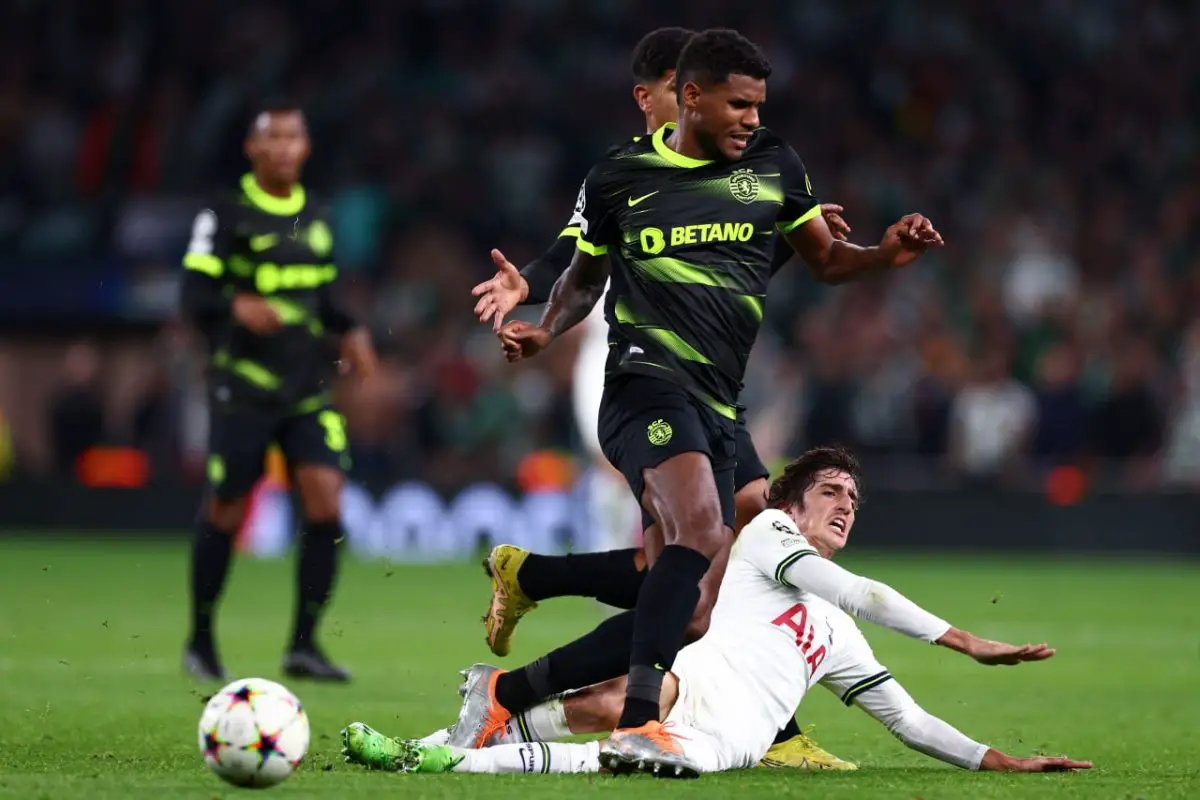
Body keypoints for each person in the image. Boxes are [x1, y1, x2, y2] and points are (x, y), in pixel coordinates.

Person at [450, 28, 943, 769]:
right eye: (738, 103)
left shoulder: (776, 166)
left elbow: (826, 261)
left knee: (694, 604)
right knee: (706, 533)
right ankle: (643, 722)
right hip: (643, 384)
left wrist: (884, 255)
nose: (752, 117)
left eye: (759, 105)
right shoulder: (620, 175)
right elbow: (582, 273)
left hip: (719, 401)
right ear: (689, 97)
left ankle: (510, 681)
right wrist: (544, 330)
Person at [339, 446, 1091, 778]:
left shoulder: (836, 637)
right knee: (613, 701)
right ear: (792, 506)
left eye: (854, 501)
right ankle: (424, 751)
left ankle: (460, 758)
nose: (845, 507)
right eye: (831, 491)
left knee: (622, 754)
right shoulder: (768, 536)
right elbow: (860, 589)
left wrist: (1001, 759)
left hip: (720, 740)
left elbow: (907, 720)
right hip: (681, 688)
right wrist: (966, 642)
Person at [180, 103, 377, 683]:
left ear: (306, 147)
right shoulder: (225, 212)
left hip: (305, 390)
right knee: (228, 509)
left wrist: (353, 329)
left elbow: (324, 294)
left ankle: (304, 644)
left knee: (326, 504)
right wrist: (233, 304)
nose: (286, 147)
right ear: (253, 148)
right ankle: (201, 638)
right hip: (242, 386)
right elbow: (192, 293)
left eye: (295, 137)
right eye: (275, 138)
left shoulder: (316, 214)